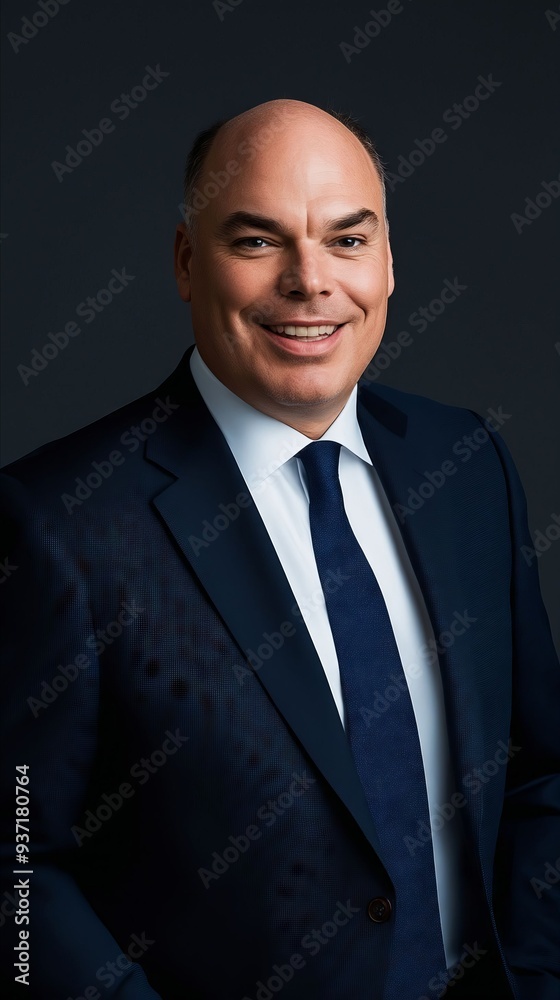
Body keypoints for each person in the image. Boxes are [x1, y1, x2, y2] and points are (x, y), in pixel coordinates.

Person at [1, 98, 558, 1000]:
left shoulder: (464, 466)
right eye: (258, 242)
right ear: (188, 263)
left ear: (387, 260)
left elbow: (541, 772)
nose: (310, 281)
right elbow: (19, 868)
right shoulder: (55, 519)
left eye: (347, 239)